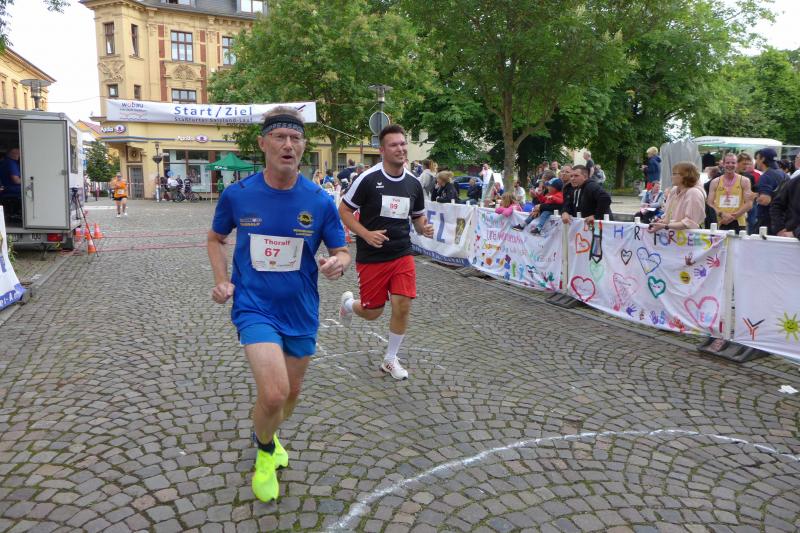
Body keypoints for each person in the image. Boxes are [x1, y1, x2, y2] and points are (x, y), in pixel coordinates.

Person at [207, 107, 350, 503]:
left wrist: (338, 262)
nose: (288, 145)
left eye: (296, 138)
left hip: (300, 310)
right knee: (273, 393)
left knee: (290, 395)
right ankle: (266, 451)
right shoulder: (239, 195)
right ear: (263, 143)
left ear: (303, 146)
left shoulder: (319, 200)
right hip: (254, 306)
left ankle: (266, 433)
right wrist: (221, 279)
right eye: (280, 137)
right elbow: (215, 239)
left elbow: (342, 250)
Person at [338, 124, 434, 381]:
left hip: (402, 253)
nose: (400, 149)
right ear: (382, 150)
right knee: (373, 313)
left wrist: (423, 228)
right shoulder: (367, 179)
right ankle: (348, 305)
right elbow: (344, 211)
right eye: (394, 145)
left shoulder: (413, 183)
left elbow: (417, 217)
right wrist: (365, 234)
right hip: (372, 256)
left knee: (402, 305)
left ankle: (390, 359)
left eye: (403, 144)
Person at [648, 162, 706, 232]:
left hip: (687, 236)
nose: (672, 177)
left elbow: (690, 223)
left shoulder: (694, 193)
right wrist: (661, 222)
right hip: (673, 235)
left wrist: (665, 226)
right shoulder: (674, 191)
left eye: (674, 174)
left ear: (686, 176)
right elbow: (668, 216)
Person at [706, 153, 754, 232]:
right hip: (721, 221)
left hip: (738, 222)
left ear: (737, 164)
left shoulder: (744, 181)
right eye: (727, 162)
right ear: (723, 164)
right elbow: (710, 202)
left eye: (733, 163)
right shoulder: (715, 182)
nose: (730, 165)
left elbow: (749, 203)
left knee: (738, 240)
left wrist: (732, 217)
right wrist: (721, 214)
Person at [753, 148, 787, 235]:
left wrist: (754, 197)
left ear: (763, 159)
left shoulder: (766, 176)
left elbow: (765, 200)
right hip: (783, 221)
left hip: (766, 222)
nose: (756, 161)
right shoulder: (784, 174)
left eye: (757, 158)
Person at [770, 171, 800, 239]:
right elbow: (777, 205)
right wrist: (779, 228)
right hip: (789, 237)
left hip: (793, 234)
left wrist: (795, 233)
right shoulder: (794, 182)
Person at [0, 147, 22, 223]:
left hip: (6, 189)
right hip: (13, 189)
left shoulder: (4, 162)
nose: (19, 155)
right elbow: (16, 180)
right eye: (16, 153)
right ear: (10, 154)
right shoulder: (11, 163)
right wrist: (27, 181)